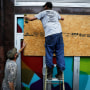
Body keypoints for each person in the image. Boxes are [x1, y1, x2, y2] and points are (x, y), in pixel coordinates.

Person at [24, 2, 65, 80]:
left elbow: (32, 19)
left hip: (50, 35)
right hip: (59, 34)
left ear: (46, 6)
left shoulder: (43, 13)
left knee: (49, 52)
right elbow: (62, 18)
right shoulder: (55, 13)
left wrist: (26, 17)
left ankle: (49, 75)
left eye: (44, 7)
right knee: (59, 52)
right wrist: (59, 18)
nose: (43, 8)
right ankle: (60, 74)